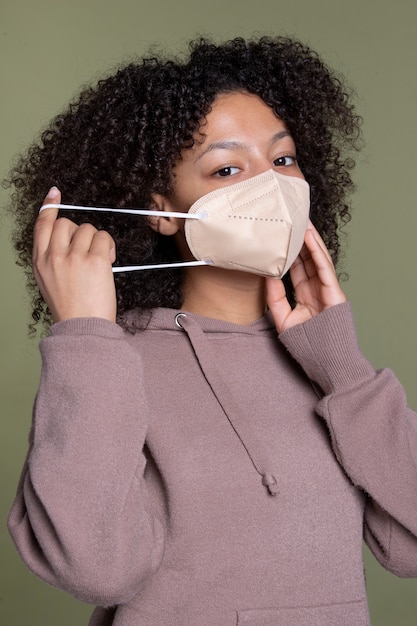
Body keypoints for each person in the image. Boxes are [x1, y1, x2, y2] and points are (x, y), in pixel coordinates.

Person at [5, 36, 417, 626]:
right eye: (228, 168)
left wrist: (345, 369)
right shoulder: (111, 365)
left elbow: (408, 545)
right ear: (162, 209)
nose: (272, 186)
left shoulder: (321, 365)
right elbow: (95, 567)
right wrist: (85, 334)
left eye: (282, 160)